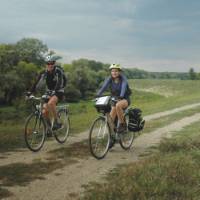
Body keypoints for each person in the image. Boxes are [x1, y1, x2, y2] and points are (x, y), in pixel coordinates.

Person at [27, 55, 66, 131]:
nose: (50, 65)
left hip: (59, 91)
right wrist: (29, 92)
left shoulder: (58, 71)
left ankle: (57, 122)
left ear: (54, 64)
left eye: (52, 63)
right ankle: (49, 128)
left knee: (51, 103)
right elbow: (36, 82)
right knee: (44, 111)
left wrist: (55, 90)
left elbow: (60, 82)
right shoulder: (43, 72)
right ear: (46, 64)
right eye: (48, 63)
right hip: (49, 92)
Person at [96, 64, 131, 133]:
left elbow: (123, 88)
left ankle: (123, 125)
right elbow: (104, 87)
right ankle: (112, 137)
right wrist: (98, 94)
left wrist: (121, 96)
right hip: (114, 99)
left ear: (120, 72)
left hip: (124, 99)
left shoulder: (123, 79)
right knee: (111, 120)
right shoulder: (110, 79)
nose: (114, 73)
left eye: (116, 71)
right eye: (112, 71)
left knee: (118, 105)